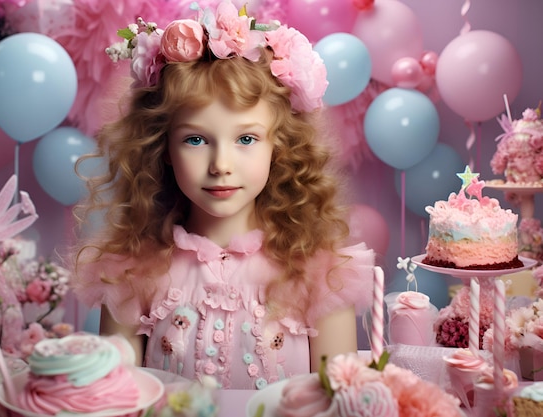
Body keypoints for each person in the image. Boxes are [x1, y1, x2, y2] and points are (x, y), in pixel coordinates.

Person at [72, 0, 375, 390]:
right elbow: (116, 401)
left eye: (246, 138)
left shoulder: (321, 274)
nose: (221, 164)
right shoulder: (132, 272)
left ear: (278, 146)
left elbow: (339, 403)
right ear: (163, 147)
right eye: (195, 139)